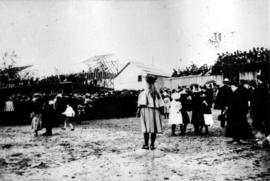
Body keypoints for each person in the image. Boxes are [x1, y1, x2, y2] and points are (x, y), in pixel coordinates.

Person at [137, 75, 164, 150]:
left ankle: (146, 144)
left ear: (147, 82)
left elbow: (140, 104)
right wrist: (162, 112)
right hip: (155, 111)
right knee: (153, 128)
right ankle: (152, 144)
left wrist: (138, 111)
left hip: (145, 110)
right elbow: (161, 104)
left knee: (146, 128)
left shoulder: (144, 92)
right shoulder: (156, 93)